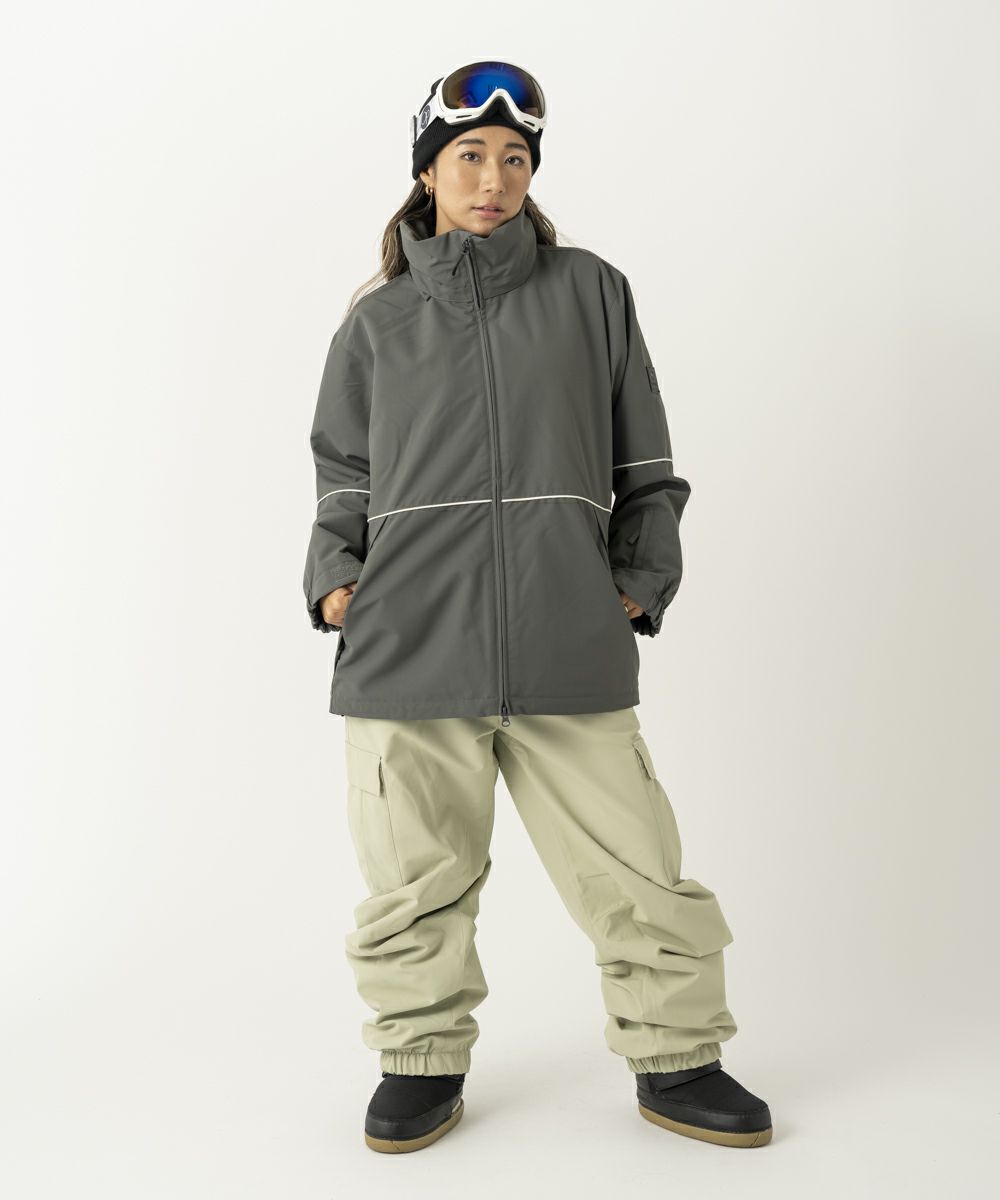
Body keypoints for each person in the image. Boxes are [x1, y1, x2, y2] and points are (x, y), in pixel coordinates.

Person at [302, 60, 772, 1153]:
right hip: (409, 644)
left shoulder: (589, 292)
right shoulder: (377, 321)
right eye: (469, 155)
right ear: (428, 172)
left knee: (637, 867)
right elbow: (341, 472)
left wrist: (637, 583)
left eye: (514, 159)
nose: (493, 178)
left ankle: (678, 1055)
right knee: (414, 879)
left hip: (568, 636)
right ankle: (419, 1059)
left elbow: (645, 462)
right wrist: (333, 579)